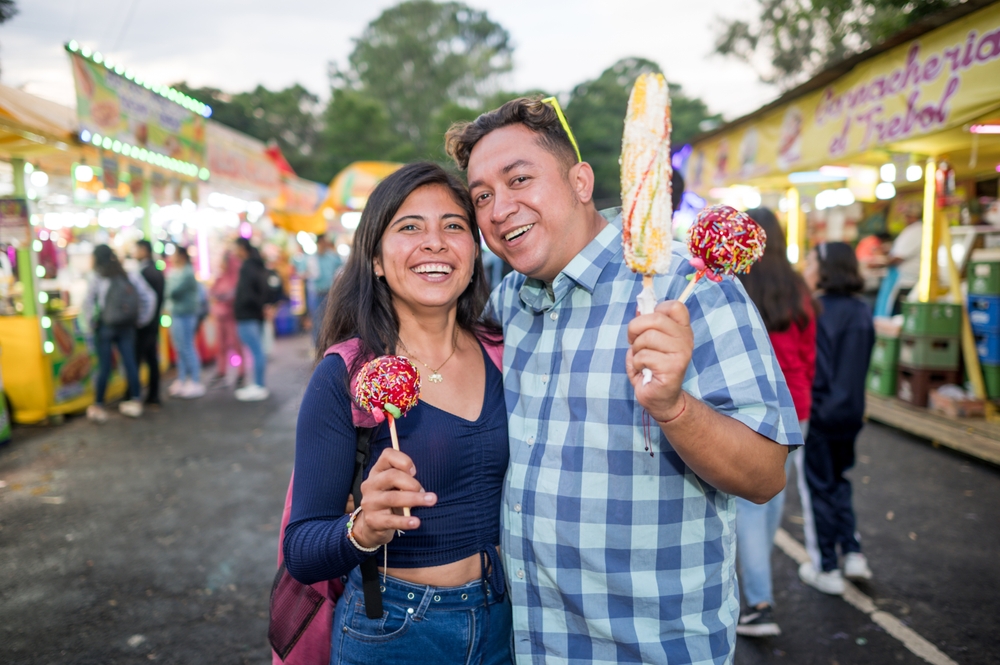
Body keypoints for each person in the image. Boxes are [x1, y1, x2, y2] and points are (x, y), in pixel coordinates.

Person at [446, 98, 801, 664]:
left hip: (651, 650)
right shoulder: (508, 303)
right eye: (482, 196)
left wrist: (674, 407)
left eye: (519, 180)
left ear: (581, 181)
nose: (499, 208)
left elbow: (765, 475)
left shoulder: (690, 285)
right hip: (530, 646)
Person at [283, 162, 512, 664]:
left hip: (508, 621)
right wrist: (362, 528)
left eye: (454, 226)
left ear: (474, 252)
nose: (435, 242)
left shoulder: (506, 351)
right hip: (394, 629)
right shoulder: (347, 375)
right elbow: (301, 549)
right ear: (378, 259)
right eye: (409, 227)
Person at [734, 207, 817, 637]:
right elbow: (809, 352)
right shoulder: (798, 286)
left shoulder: (736, 283)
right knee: (772, 500)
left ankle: (759, 601)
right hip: (797, 407)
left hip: (751, 406)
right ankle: (758, 592)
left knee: (751, 504)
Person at [798, 242, 875, 595]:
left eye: (812, 260)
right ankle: (854, 553)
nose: (806, 266)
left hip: (821, 410)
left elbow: (817, 368)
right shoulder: (862, 310)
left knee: (818, 486)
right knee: (839, 480)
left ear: (826, 268)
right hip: (853, 410)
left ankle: (827, 565)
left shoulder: (817, 309)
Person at [82, 244, 156, 423]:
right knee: (130, 363)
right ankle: (136, 400)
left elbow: (88, 303)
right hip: (127, 327)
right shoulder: (128, 273)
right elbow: (150, 297)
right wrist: (141, 319)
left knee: (105, 367)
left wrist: (91, 323)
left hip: (106, 327)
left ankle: (99, 404)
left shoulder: (97, 277)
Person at [165, 246, 205, 399]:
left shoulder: (187, 273)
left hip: (186, 314)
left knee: (187, 346)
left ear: (181, 255)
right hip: (176, 314)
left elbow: (172, 292)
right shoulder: (176, 271)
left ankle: (195, 380)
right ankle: (182, 379)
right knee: (179, 348)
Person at [233, 237, 270, 401]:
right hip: (254, 314)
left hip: (248, 314)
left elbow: (246, 293)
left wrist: (241, 306)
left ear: (242, 248)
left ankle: (258, 385)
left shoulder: (248, 267)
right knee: (256, 351)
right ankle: (257, 384)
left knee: (256, 351)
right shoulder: (257, 266)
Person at [134, 240, 164, 406]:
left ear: (144, 250)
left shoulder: (146, 273)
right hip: (152, 322)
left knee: (140, 358)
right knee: (152, 359)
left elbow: (148, 299)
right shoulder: (155, 270)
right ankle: (153, 394)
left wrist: (142, 319)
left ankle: (136, 394)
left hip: (146, 324)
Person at [208, 249, 244, 387]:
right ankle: (221, 371)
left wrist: (222, 296)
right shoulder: (221, 277)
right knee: (221, 346)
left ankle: (241, 373)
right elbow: (212, 292)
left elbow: (232, 295)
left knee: (236, 345)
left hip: (231, 316)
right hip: (220, 316)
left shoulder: (235, 276)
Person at [306, 235, 342, 343]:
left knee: (332, 319)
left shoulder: (333, 257)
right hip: (316, 293)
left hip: (331, 292)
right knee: (317, 321)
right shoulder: (312, 259)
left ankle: (331, 343)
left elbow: (341, 270)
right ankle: (318, 346)